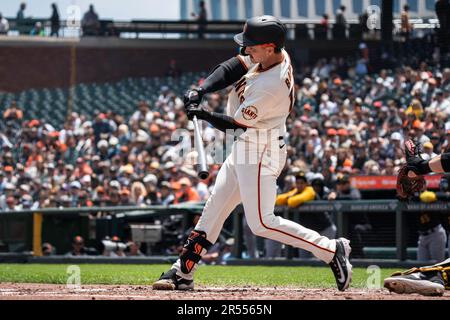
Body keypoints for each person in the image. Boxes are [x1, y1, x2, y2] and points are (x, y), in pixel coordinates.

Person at [152, 15, 352, 292]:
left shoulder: (271, 86)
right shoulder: (272, 54)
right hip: (247, 145)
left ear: (269, 47)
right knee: (214, 208)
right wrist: (202, 89)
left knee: (261, 223)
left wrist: (205, 114)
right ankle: (183, 270)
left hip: (261, 151)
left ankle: (331, 249)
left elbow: (234, 126)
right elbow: (233, 65)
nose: (246, 50)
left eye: (252, 46)